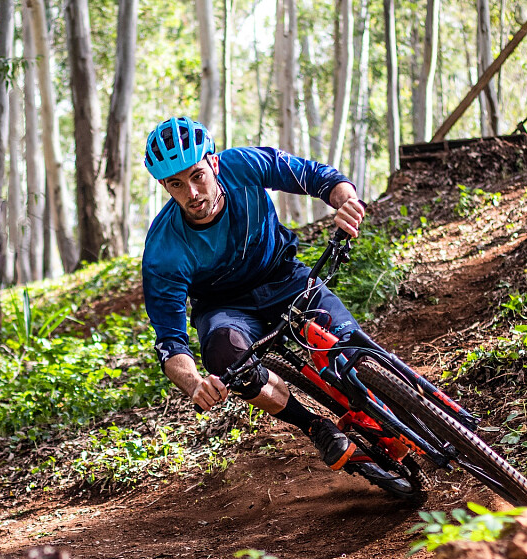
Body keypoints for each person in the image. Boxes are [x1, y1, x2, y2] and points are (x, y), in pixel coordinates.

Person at [141, 116, 369, 473]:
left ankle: (398, 403)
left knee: (349, 347)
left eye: (197, 175)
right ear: (164, 186)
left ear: (213, 164)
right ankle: (313, 425)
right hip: (225, 308)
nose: (192, 193)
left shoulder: (244, 165)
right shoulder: (162, 251)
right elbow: (170, 343)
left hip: (283, 276)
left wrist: (347, 202)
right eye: (176, 184)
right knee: (222, 353)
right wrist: (195, 384)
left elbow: (316, 177)